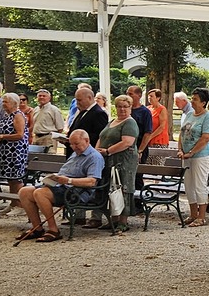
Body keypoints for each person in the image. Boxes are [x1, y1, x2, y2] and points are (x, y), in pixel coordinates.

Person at [14, 129, 105, 243]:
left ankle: (53, 230)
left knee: (40, 193)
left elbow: (92, 182)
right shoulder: (76, 153)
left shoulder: (94, 157)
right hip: (61, 186)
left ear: (87, 140)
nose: (73, 147)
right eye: (71, 144)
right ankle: (37, 228)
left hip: (76, 191)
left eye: (76, 144)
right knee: (24, 191)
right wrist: (55, 178)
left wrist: (69, 180)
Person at [94, 94, 140, 232]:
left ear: (130, 108)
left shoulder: (130, 123)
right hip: (108, 160)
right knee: (110, 188)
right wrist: (96, 151)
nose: (122, 109)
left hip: (123, 161)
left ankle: (123, 221)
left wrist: (108, 151)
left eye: (125, 106)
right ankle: (113, 220)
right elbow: (102, 137)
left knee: (123, 187)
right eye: (119, 106)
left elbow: (127, 142)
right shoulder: (112, 121)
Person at [174, 89, 209, 226]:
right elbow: (182, 133)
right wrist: (180, 150)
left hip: (201, 155)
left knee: (199, 184)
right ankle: (193, 214)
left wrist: (192, 152)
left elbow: (206, 137)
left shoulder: (207, 116)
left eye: (195, 99)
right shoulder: (190, 114)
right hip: (186, 156)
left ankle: (201, 216)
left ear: (203, 102)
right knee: (189, 184)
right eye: (192, 98)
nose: (192, 101)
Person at [66, 86, 108, 153]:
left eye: (79, 100)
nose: (77, 103)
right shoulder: (82, 110)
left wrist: (79, 140)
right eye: (76, 100)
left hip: (86, 152)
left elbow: (99, 136)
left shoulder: (99, 113)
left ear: (89, 98)